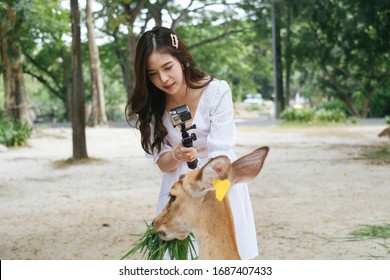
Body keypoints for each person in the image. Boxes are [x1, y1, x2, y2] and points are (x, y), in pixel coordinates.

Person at [126, 26, 258, 259]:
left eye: (167, 68)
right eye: (152, 74)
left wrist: (204, 195)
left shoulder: (216, 91)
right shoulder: (152, 108)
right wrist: (176, 154)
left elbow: (221, 152)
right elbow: (162, 163)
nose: (163, 79)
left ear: (182, 60)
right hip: (179, 185)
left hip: (217, 179)